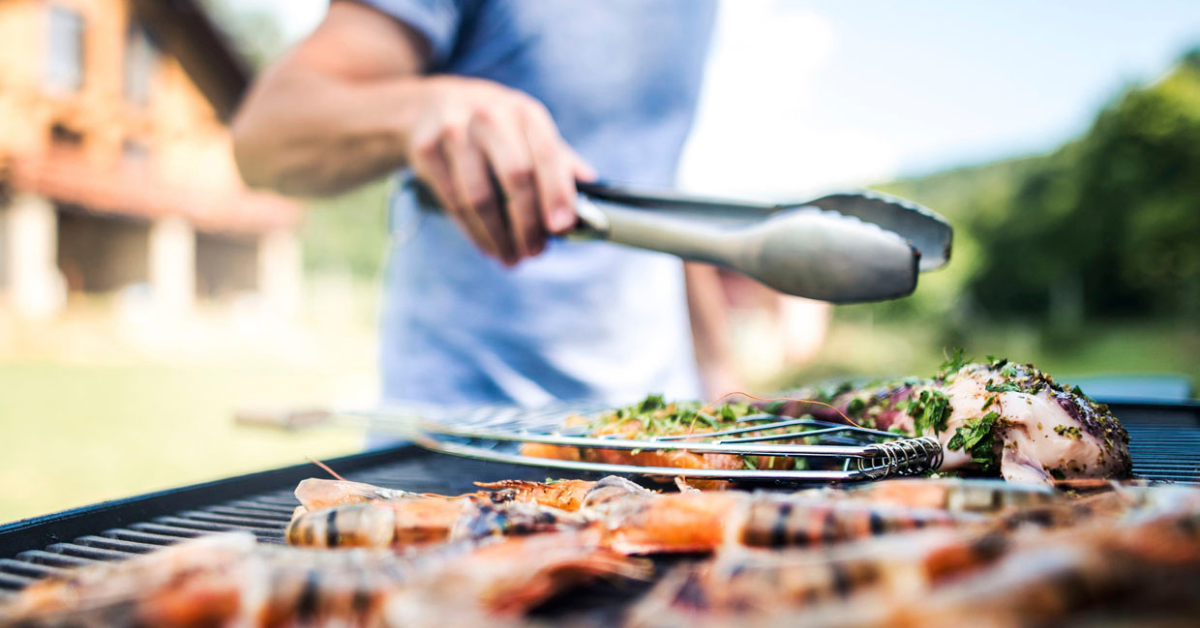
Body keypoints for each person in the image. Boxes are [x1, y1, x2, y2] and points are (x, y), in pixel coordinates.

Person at [232, 0, 739, 409]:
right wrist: (422, 108)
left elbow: (651, 174)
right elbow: (264, 134)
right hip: (459, 441)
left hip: (654, 431)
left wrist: (720, 372)